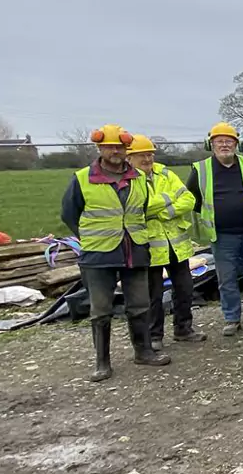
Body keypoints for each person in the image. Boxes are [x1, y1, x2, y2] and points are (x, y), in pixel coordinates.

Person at [60, 125, 169, 382]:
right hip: (99, 255)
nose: (115, 151)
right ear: (99, 149)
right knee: (101, 310)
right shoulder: (82, 178)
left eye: (119, 147)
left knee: (140, 304)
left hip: (135, 249)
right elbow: (69, 214)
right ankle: (102, 363)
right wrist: (90, 237)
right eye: (109, 147)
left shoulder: (138, 178)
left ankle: (143, 352)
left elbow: (141, 208)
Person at [187, 122, 243, 336]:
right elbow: (191, 198)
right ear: (211, 144)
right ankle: (232, 319)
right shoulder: (200, 169)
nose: (224, 145)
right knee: (227, 279)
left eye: (229, 141)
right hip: (222, 235)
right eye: (219, 141)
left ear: (236, 143)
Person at [127, 135, 205, 350]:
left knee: (185, 289)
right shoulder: (129, 179)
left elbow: (188, 199)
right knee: (153, 295)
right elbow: (137, 208)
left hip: (176, 244)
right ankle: (155, 335)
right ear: (130, 157)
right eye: (142, 154)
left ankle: (183, 329)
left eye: (150, 153)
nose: (147, 158)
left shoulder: (165, 173)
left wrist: (164, 212)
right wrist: (167, 199)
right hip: (149, 247)